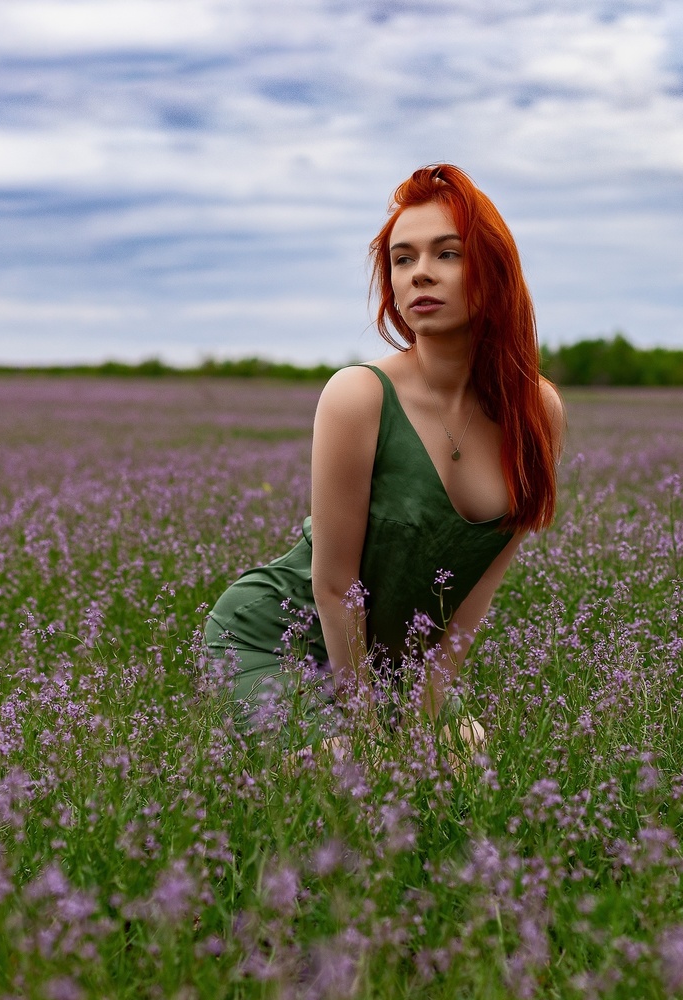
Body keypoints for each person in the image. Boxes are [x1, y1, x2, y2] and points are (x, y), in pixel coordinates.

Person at [204, 164, 564, 746]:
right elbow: (333, 585)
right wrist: (372, 735)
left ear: (493, 269)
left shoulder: (535, 414)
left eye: (447, 254)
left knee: (463, 761)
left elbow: (475, 593)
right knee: (345, 775)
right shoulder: (359, 395)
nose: (421, 273)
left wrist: (420, 717)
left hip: (398, 659)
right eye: (403, 259)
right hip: (280, 638)